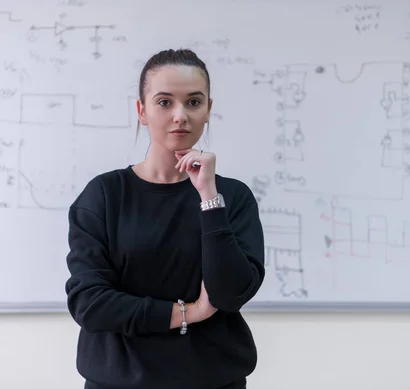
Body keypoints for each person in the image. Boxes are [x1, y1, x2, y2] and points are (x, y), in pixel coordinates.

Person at [64, 48, 266, 389]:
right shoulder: (103, 196)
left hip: (214, 381)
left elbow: (231, 294)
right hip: (118, 382)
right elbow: (90, 303)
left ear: (208, 110)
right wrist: (191, 312)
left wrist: (209, 199)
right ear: (141, 111)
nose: (180, 115)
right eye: (164, 102)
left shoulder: (232, 198)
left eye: (193, 102)